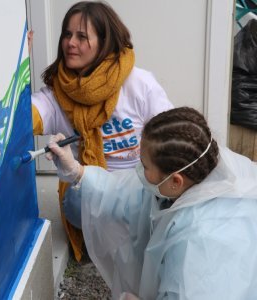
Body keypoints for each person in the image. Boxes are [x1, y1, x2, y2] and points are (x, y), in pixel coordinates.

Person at [45, 106, 257, 299]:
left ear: (175, 181)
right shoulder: (198, 170)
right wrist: (76, 170)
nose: (139, 170)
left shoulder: (201, 244)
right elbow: (126, 194)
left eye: (145, 166)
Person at [31, 1, 173, 261]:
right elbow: (28, 117)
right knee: (79, 201)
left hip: (140, 189)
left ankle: (131, 241)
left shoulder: (139, 84)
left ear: (105, 42)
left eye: (81, 36)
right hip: (87, 190)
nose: (70, 43)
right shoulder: (56, 92)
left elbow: (172, 137)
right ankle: (119, 243)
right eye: (67, 34)